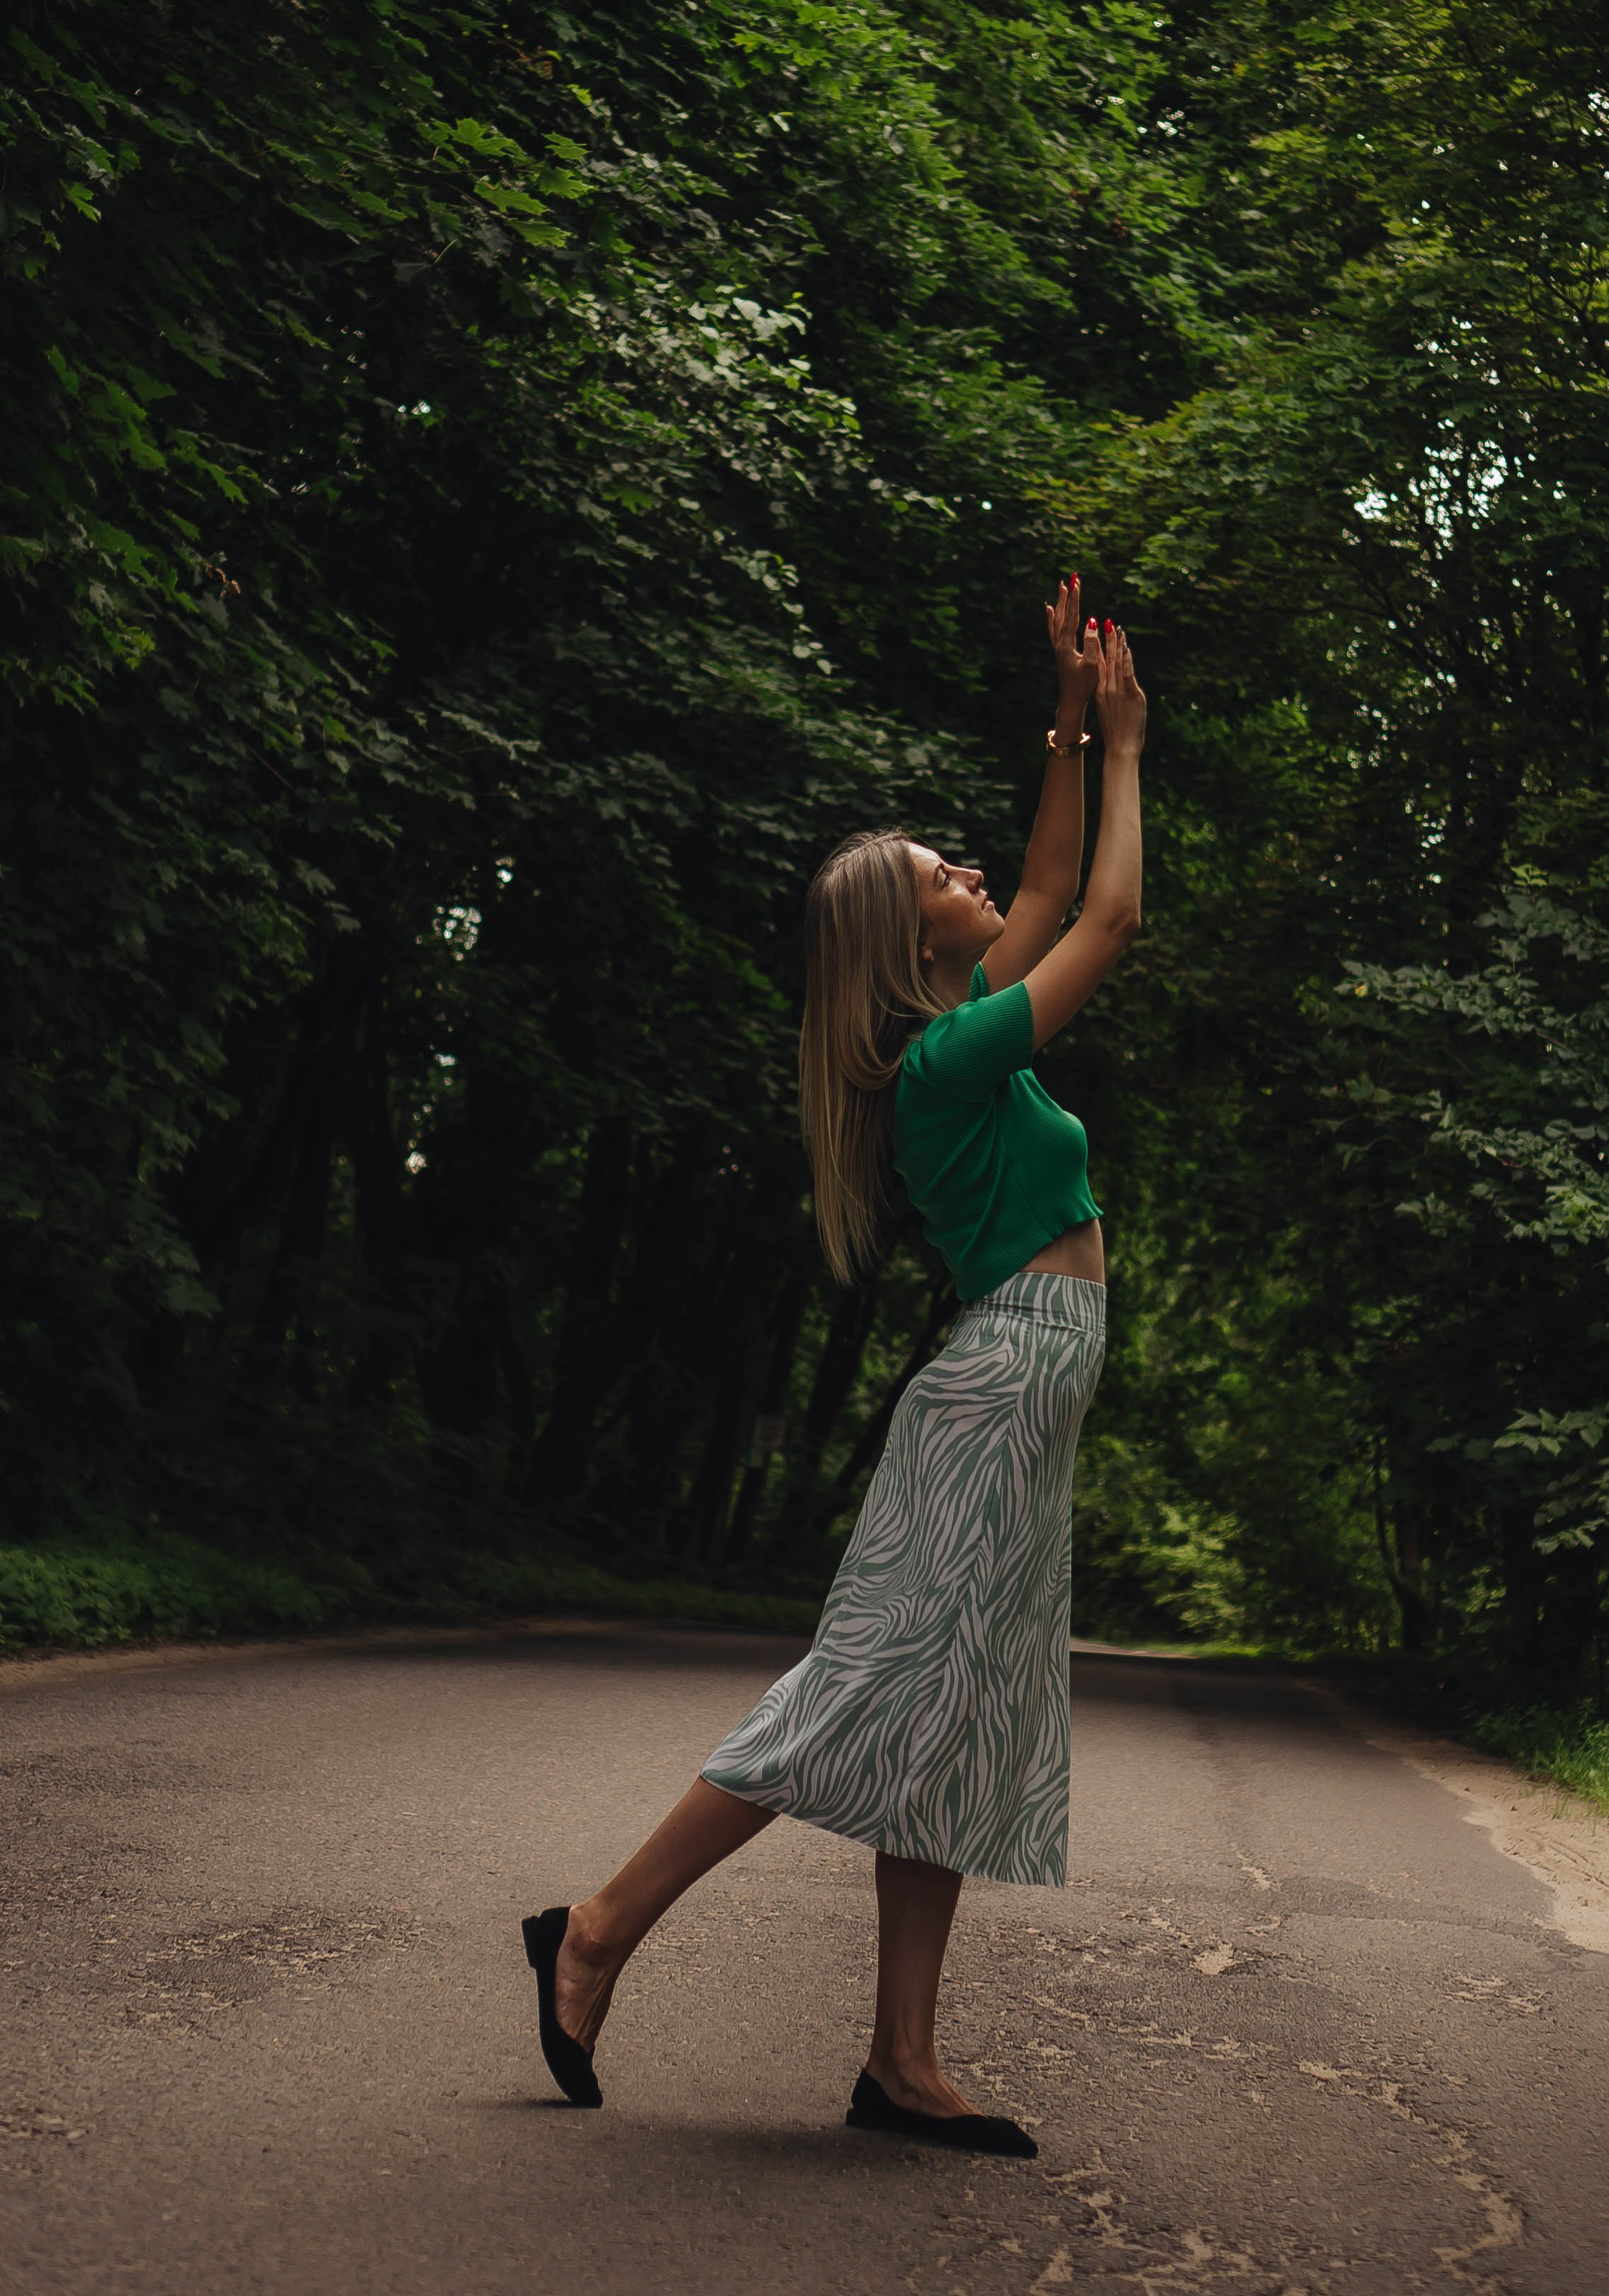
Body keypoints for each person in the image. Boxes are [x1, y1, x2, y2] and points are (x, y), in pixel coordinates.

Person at [522, 578, 1147, 2156]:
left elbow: (1052, 871)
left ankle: (899, 2061)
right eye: (939, 873)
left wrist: (1067, 713)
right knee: (863, 1695)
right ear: (903, 933)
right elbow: (1109, 913)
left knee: (948, 1727)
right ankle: (595, 1926)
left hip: (1021, 1389)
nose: (968, 868)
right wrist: (1128, 745)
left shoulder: (957, 1029)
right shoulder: (941, 1059)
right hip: (1000, 1390)